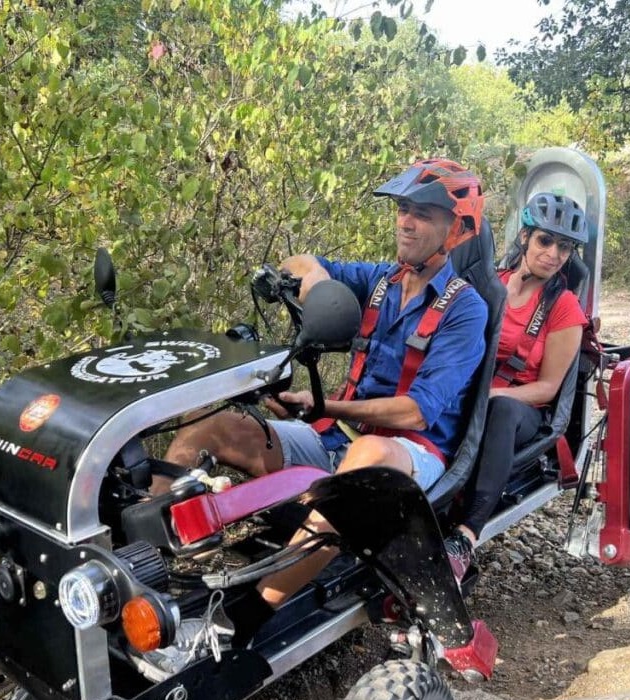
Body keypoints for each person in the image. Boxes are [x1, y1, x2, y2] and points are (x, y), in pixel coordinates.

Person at [153, 158, 489, 661]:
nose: (405, 221)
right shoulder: (379, 281)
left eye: (422, 212)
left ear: (456, 229)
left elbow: (419, 413)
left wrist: (324, 403)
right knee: (210, 425)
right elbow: (303, 261)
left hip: (409, 453)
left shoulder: (467, 308)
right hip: (337, 437)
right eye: (402, 209)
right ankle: (151, 571)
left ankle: (241, 618)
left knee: (368, 456)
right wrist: (310, 286)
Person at [444, 192, 590, 581]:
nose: (555, 254)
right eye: (546, 240)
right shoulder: (494, 284)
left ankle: (466, 534)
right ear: (525, 237)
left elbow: (547, 388)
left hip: (522, 407)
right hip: (476, 392)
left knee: (500, 410)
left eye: (565, 247)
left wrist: (492, 395)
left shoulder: (564, 308)